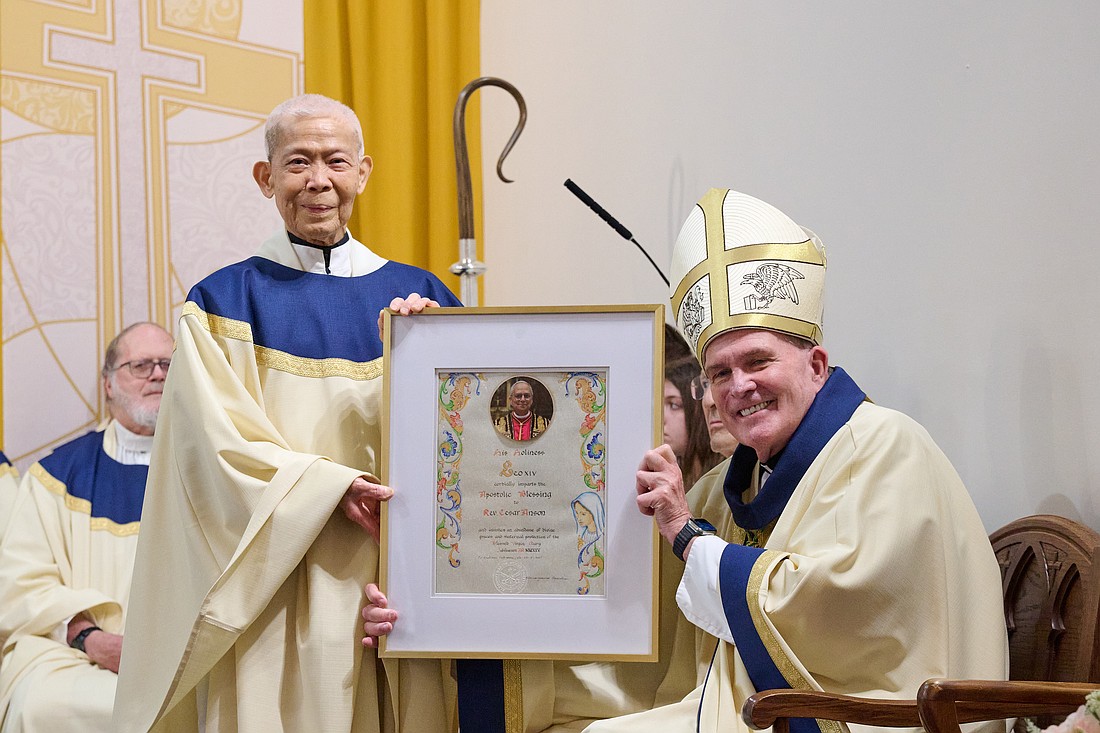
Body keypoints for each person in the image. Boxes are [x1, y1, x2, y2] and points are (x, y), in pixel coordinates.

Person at [590, 188, 1010, 732]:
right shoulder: (724, 486)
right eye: (720, 373)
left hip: (870, 716)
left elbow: (841, 613)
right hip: (755, 708)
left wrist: (686, 534)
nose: (740, 386)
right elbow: (651, 602)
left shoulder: (885, 448)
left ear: (816, 364)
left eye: (758, 361)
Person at [112, 94, 461, 733]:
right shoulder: (221, 303)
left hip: (400, 578)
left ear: (364, 172)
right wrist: (330, 489)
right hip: (277, 580)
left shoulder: (425, 298)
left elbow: (477, 441)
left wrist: (445, 353)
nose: (319, 181)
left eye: (336, 161)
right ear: (265, 178)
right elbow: (211, 451)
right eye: (298, 162)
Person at [0, 322, 173, 731]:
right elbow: (21, 586)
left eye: (169, 364)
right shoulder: (55, 478)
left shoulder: (219, 469)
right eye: (141, 365)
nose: (159, 374)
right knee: (41, 705)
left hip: (183, 654)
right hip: (77, 651)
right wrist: (91, 639)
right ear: (108, 384)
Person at [663, 324, 725, 488]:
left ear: (696, 408)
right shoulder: (680, 478)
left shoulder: (722, 479)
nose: (661, 418)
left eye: (674, 405)